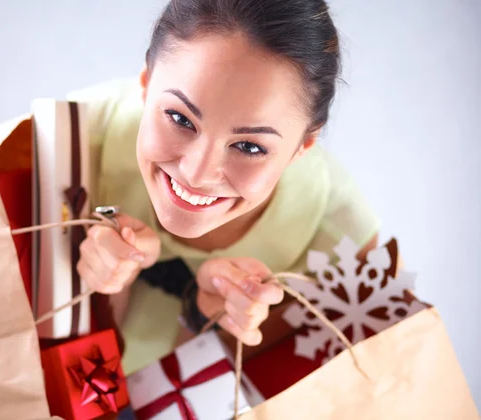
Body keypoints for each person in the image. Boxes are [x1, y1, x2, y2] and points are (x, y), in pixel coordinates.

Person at [67, 0, 380, 372]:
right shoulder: (67, 143)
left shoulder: (348, 256)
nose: (198, 174)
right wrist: (109, 290)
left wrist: (207, 326)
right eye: (179, 118)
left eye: (249, 146)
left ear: (302, 147)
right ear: (147, 83)